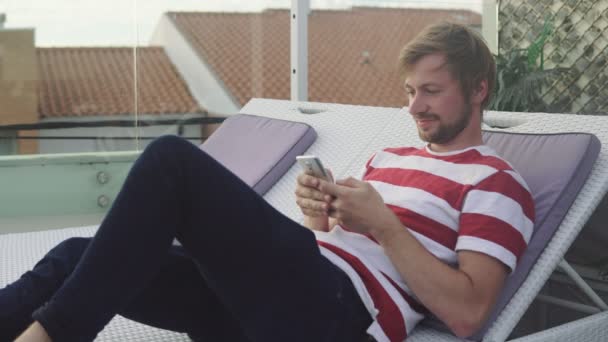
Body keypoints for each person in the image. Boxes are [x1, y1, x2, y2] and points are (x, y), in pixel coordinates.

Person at [1, 21, 534, 342]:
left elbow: (467, 315)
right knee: (75, 257)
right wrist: (317, 213)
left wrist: (386, 225)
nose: (414, 107)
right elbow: (325, 244)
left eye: (432, 92)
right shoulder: (388, 156)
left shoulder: (497, 182)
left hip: (335, 321)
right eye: (410, 91)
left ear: (478, 90)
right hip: (269, 309)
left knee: (172, 163)